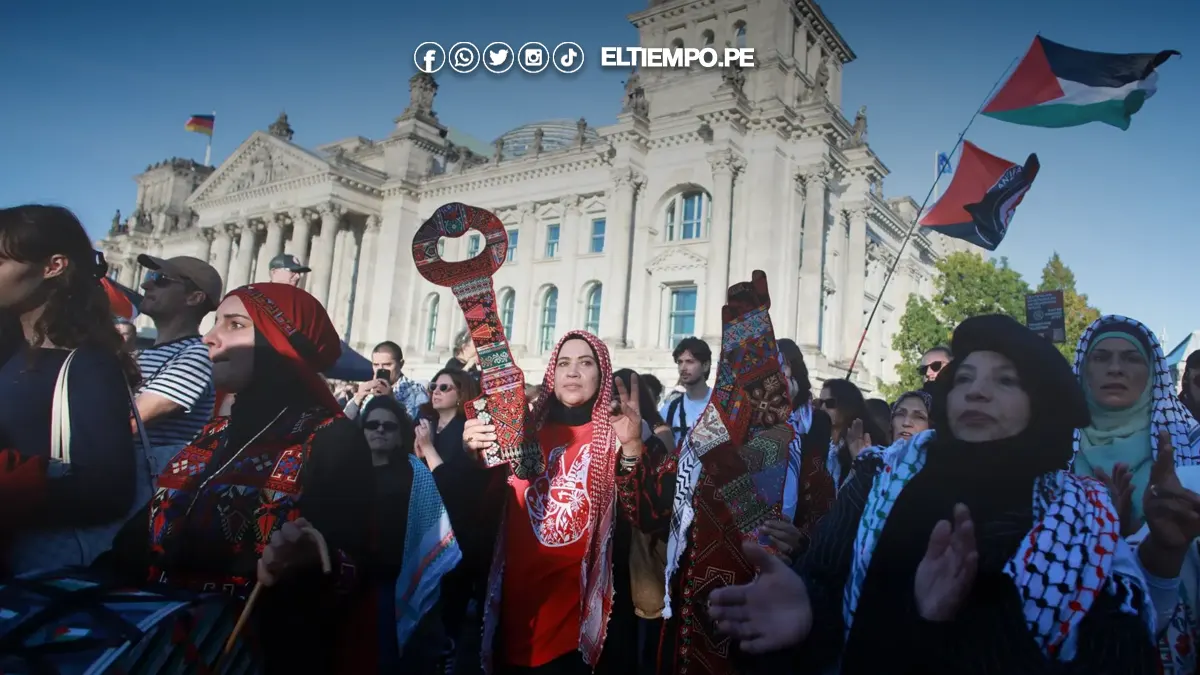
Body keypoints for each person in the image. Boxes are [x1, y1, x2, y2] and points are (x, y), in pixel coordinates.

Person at [707, 314, 1159, 674]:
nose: (977, 391)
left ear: (1040, 405)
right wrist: (806, 612)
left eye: (1004, 381)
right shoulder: (878, 476)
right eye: (965, 378)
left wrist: (954, 622)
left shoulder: (1080, 521)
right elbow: (827, 585)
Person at [97, 282, 375, 672]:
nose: (209, 337)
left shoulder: (330, 438)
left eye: (234, 324)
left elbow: (354, 565)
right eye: (215, 323)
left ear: (281, 344)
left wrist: (311, 559)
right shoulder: (211, 435)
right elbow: (136, 543)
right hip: (154, 649)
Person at [616, 272, 805, 675]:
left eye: (761, 362)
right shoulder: (700, 446)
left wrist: (801, 541)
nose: (748, 376)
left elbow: (833, 548)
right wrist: (633, 447)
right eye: (737, 360)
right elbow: (647, 512)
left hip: (758, 632)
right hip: (684, 633)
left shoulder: (803, 457)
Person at [462, 330, 644, 674]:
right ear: (552, 374)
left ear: (601, 374)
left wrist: (633, 448)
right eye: (563, 363)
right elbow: (481, 510)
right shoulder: (519, 433)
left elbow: (644, 514)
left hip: (580, 629)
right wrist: (472, 459)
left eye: (585, 363)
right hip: (518, 617)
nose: (572, 372)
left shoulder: (619, 434)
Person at [0, 204, 140, 575]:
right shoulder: (8, 353)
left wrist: (16, 486)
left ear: (53, 266)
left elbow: (108, 490)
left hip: (32, 576)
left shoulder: (86, 364)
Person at [1068, 315, 1200, 672]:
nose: (1115, 369)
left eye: (1131, 358)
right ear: (1084, 370)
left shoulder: (1190, 446)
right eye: (1101, 357)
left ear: (1153, 373)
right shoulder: (1050, 449)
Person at [358, 394, 461, 672]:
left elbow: (436, 519)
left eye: (388, 427)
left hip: (395, 578)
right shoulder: (349, 470)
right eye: (373, 425)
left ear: (398, 433)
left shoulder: (414, 471)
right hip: (354, 579)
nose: (380, 430)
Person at [816, 378, 887, 489]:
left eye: (830, 403)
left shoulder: (866, 441)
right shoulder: (820, 441)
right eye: (820, 402)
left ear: (847, 405)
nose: (823, 408)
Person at [659, 337, 713, 445]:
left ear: (705, 365)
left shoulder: (720, 404)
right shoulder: (669, 410)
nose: (683, 368)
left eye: (690, 362)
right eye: (680, 362)